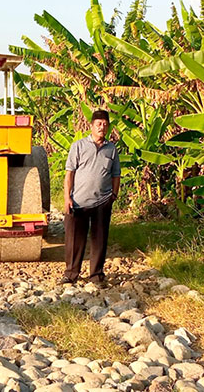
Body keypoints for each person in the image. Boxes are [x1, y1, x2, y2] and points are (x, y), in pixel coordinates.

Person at [61, 109, 121, 285]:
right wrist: (67, 198)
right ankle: (71, 274)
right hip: (78, 202)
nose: (102, 127)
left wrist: (114, 195)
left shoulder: (111, 149)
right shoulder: (78, 146)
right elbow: (69, 174)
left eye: (105, 125)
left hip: (103, 202)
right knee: (74, 241)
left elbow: (116, 174)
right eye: (98, 124)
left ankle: (96, 275)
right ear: (91, 126)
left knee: (99, 240)